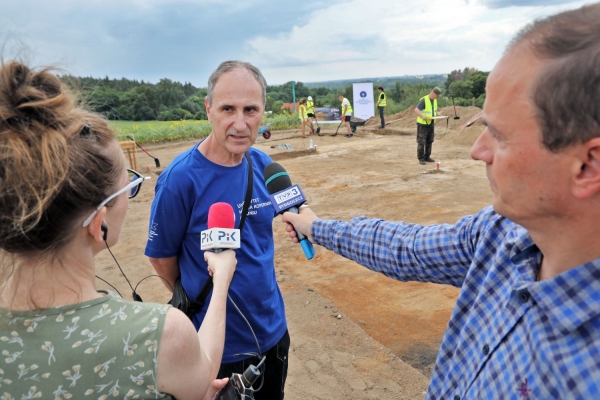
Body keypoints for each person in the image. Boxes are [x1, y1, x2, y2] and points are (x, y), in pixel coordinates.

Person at [282, 4, 600, 398]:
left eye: (498, 134)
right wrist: (315, 226)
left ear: (587, 165)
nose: (477, 150)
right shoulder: (503, 234)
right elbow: (405, 248)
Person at [0, 60, 237, 400]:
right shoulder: (160, 334)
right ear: (99, 224)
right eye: (130, 188)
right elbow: (204, 374)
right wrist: (223, 276)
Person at [145, 60, 289, 400]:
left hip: (272, 335)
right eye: (228, 109)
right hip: (215, 350)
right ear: (209, 109)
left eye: (250, 110)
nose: (240, 123)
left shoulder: (264, 165)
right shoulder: (180, 179)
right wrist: (202, 298)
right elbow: (162, 259)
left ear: (262, 112)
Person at [414, 87, 444, 165]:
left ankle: (427, 156)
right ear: (433, 93)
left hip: (431, 123)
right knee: (421, 142)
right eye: (437, 95)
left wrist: (438, 113)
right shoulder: (424, 100)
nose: (437, 97)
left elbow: (433, 110)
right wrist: (422, 116)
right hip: (423, 125)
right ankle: (421, 158)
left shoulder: (434, 100)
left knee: (429, 141)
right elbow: (416, 110)